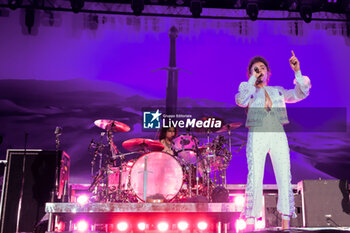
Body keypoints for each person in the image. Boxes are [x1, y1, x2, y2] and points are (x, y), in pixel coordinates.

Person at [235, 51, 311, 230]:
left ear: (269, 72)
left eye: (262, 68)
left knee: (284, 175)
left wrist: (297, 72)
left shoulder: (278, 91)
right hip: (258, 134)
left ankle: (286, 222)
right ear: (250, 73)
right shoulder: (249, 91)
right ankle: (251, 222)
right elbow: (240, 100)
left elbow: (300, 94)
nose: (260, 71)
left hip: (277, 134)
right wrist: (252, 80)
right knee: (255, 176)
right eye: (256, 69)